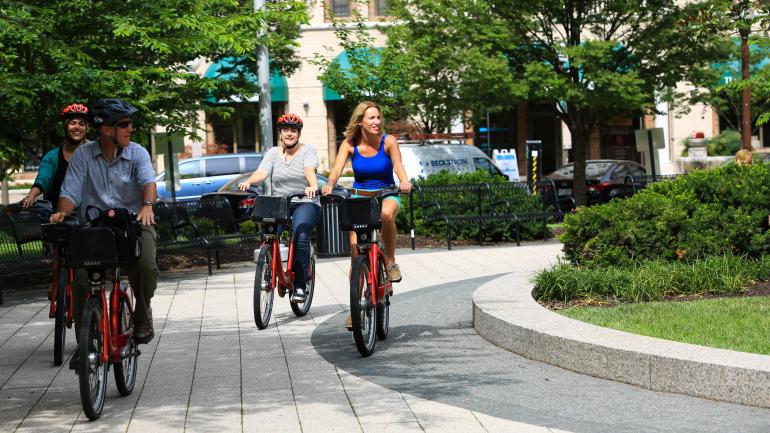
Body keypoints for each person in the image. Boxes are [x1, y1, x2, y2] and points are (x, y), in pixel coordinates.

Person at [49, 98, 158, 368]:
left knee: (145, 265)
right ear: (107, 129)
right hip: (95, 229)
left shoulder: (138, 153)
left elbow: (149, 183)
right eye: (125, 124)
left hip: (133, 223)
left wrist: (147, 206)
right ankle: (86, 339)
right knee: (81, 278)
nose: (130, 129)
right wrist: (62, 212)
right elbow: (70, 193)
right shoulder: (83, 157)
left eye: (130, 123)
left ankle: (143, 315)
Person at [322, 101, 412, 283]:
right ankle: (356, 307)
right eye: (372, 118)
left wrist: (404, 180)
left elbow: (398, 165)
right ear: (359, 121)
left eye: (379, 117)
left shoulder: (389, 141)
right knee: (356, 257)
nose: (377, 121)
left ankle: (391, 261)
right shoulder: (349, 144)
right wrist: (329, 184)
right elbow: (336, 169)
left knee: (386, 214)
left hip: (386, 194)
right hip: (360, 198)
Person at [238, 113, 319, 302]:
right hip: (281, 204)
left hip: (305, 202)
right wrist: (249, 181)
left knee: (300, 237)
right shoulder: (273, 153)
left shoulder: (308, 150)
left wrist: (313, 186)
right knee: (268, 233)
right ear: (280, 133)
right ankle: (269, 271)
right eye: (285, 130)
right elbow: (262, 172)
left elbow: (309, 170)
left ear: (298, 133)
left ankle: (299, 285)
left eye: (293, 130)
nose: (289, 134)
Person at [21, 103, 89, 208]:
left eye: (81, 124)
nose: (77, 127)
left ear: (86, 128)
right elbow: (42, 179)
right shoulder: (52, 157)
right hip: (56, 217)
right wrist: (31, 196)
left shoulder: (94, 153)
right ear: (65, 127)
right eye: (73, 123)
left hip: (89, 216)